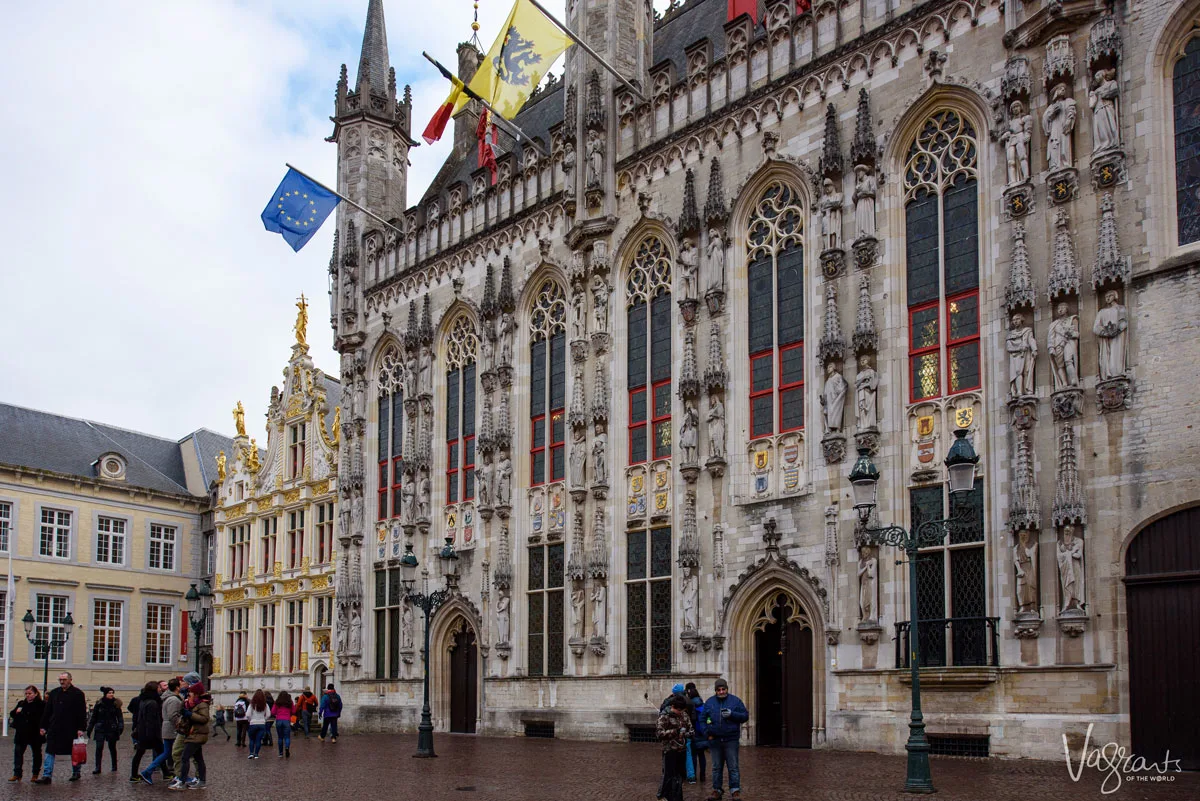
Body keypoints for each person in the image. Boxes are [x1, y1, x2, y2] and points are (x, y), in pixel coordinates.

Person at [35, 671, 88, 784]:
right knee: (50, 751)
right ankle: (47, 775)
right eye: (60, 680)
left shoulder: (78, 693)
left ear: (70, 680)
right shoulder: (54, 693)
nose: (62, 681)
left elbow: (81, 712)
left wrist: (81, 728)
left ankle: (76, 772)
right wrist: (43, 726)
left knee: (74, 751)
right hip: (55, 727)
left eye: (64, 679)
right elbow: (48, 711)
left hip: (71, 728)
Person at [703, 678, 749, 800]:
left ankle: (735, 790)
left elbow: (745, 716)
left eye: (723, 689)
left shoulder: (735, 701)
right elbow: (702, 719)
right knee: (716, 767)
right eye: (719, 690)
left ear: (727, 689)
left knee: (733, 766)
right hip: (715, 740)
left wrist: (732, 714)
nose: (721, 691)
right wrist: (707, 733)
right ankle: (717, 789)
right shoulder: (709, 702)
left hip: (731, 739)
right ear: (716, 691)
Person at [141, 678, 182, 784]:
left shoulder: (168, 698)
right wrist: (180, 725)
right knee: (176, 752)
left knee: (167, 752)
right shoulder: (173, 699)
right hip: (171, 729)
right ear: (177, 687)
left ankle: (148, 771)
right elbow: (173, 716)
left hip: (167, 728)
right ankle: (181, 775)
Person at [169, 686, 210, 790]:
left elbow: (205, 719)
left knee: (185, 757)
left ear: (196, 693)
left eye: (191, 692)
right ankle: (201, 781)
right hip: (192, 734)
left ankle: (182, 783)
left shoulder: (202, 704)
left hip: (197, 735)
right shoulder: (191, 703)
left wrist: (190, 714)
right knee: (198, 758)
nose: (189, 694)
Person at [655, 695, 694, 801]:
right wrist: (675, 731)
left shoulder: (684, 715)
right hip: (669, 750)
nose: (680, 712)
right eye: (678, 710)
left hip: (681, 749)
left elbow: (691, 730)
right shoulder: (664, 716)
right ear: (673, 706)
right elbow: (659, 734)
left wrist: (686, 733)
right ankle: (665, 796)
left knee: (679, 776)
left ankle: (677, 797)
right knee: (669, 775)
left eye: (682, 710)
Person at [9, 685, 45, 783]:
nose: (28, 695)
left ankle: (35, 773)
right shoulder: (22, 703)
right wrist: (17, 712)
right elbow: (12, 713)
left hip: (35, 733)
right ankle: (17, 774)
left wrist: (43, 729)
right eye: (26, 694)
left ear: (36, 694)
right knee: (18, 753)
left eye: (30, 693)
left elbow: (44, 718)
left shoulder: (41, 704)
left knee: (36, 754)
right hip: (21, 733)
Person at [128, 682, 162, 784]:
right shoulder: (152, 703)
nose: (160, 689)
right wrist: (151, 734)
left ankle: (166, 772)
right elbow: (151, 720)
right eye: (159, 687)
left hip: (143, 731)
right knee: (161, 752)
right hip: (149, 733)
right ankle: (135, 775)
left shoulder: (143, 700)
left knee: (159, 752)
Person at [86, 686, 123, 774]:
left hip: (112, 728)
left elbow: (120, 717)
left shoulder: (116, 704)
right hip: (100, 728)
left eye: (112, 693)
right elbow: (94, 717)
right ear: (105, 694)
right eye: (109, 693)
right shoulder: (99, 704)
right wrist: (89, 728)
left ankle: (114, 766)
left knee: (112, 747)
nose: (111, 694)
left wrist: (120, 726)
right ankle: (98, 767)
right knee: (99, 747)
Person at [685, 683, 707, 785]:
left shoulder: (690, 704)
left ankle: (693, 774)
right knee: (702, 755)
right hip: (702, 732)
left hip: (694, 732)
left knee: (693, 754)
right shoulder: (702, 703)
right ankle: (703, 775)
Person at [246, 690, 270, 759]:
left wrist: (250, 720)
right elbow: (268, 714)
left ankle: (251, 753)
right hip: (261, 723)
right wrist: (264, 719)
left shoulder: (252, 704)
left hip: (253, 723)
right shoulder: (265, 704)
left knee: (251, 739)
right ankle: (256, 754)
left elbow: (248, 714)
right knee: (258, 740)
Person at [271, 692, 295, 758]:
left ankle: (280, 753)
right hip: (287, 720)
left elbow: (273, 712)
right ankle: (287, 747)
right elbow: (293, 711)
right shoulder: (290, 702)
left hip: (279, 720)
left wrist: (278, 713)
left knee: (280, 737)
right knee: (287, 737)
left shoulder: (277, 702)